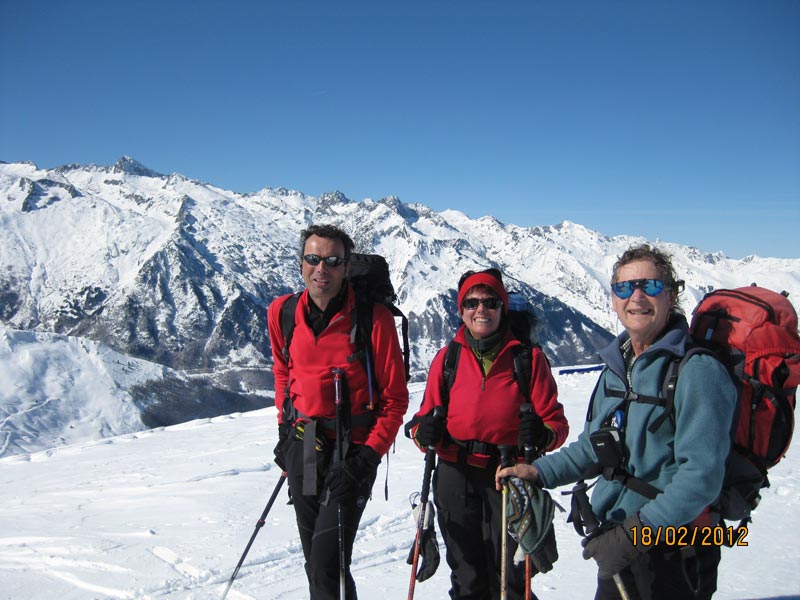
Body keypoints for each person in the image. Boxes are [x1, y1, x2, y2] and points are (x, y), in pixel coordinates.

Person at [496, 244, 738, 600]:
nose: (636, 297)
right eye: (624, 288)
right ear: (613, 299)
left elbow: (701, 478)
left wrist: (633, 537)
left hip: (675, 548)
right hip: (620, 540)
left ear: (671, 296)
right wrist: (537, 472)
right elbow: (592, 445)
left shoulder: (697, 372)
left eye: (650, 286)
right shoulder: (618, 367)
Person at [408, 268, 569, 600]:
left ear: (502, 308)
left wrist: (541, 436)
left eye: (490, 302)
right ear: (461, 310)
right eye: (471, 303)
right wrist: (424, 432)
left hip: (508, 474)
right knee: (466, 574)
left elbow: (556, 424)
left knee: (511, 575)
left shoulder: (528, 359)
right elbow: (423, 421)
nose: (481, 309)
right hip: (455, 473)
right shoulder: (448, 358)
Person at [267, 224, 409, 600]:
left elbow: (395, 400)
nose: (322, 269)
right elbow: (283, 373)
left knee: (326, 561)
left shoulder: (373, 319)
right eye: (313, 259)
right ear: (301, 264)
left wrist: (365, 460)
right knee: (319, 561)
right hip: (304, 444)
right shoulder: (282, 312)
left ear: (346, 268)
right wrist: (284, 429)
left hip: (353, 451)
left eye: (332, 261)